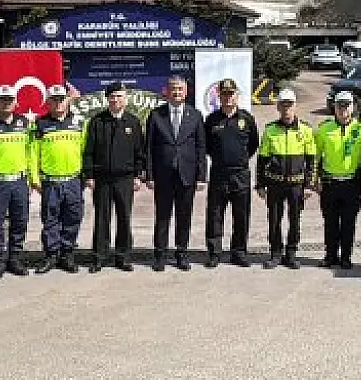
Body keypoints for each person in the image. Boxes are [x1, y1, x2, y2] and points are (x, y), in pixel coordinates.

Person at [145, 75, 207, 271]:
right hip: (163, 176)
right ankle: (160, 255)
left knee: (184, 216)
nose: (177, 92)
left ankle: (182, 254)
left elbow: (201, 147)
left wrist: (201, 176)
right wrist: (149, 175)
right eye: (173, 89)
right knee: (162, 217)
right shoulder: (156, 115)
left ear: (186, 92)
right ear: (167, 91)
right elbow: (149, 148)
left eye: (180, 89)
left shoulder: (195, 115)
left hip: (187, 175)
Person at [83, 82, 146, 272]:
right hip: (102, 179)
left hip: (125, 179)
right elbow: (89, 151)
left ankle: (123, 257)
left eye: (119, 96)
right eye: (112, 96)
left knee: (124, 218)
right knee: (102, 219)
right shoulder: (97, 121)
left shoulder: (133, 122)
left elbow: (139, 152)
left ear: (125, 99)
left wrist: (138, 175)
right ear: (107, 99)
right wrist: (89, 175)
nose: (115, 100)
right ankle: (99, 257)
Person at [203, 78, 260, 268]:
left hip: (240, 175)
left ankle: (239, 253)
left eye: (231, 93)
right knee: (215, 215)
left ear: (237, 95)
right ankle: (214, 253)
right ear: (219, 96)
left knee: (241, 216)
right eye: (224, 94)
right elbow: (207, 147)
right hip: (219, 174)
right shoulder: (211, 120)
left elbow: (253, 145)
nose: (228, 97)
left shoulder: (247, 119)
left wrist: (239, 159)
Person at [257, 88, 317, 269]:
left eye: (289, 105)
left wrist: (309, 185)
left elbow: (312, 160)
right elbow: (262, 159)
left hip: (296, 184)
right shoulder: (270, 130)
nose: (286, 109)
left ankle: (291, 254)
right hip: (275, 183)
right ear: (278, 107)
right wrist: (260, 184)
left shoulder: (306, 130)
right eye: (283, 105)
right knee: (274, 220)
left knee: (295, 220)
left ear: (295, 106)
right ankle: (275, 253)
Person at [31, 84, 85, 274]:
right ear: (48, 102)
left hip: (73, 181)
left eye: (61, 99)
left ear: (66, 101)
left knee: (73, 218)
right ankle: (51, 255)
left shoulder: (79, 122)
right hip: (50, 181)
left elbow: (84, 151)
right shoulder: (40, 124)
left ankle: (67, 254)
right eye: (54, 100)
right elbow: (33, 153)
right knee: (50, 220)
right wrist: (34, 178)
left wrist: (85, 176)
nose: (58, 103)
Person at [0, 85, 33, 280]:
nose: (6, 103)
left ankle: (15, 259)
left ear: (15, 102)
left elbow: (31, 152)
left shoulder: (25, 123)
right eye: (2, 99)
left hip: (19, 181)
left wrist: (32, 178)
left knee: (20, 221)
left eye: (10, 99)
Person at [314, 90, 361, 269]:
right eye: (340, 105)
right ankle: (330, 256)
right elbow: (315, 156)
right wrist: (314, 179)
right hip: (330, 183)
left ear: (353, 107)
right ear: (334, 107)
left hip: (351, 184)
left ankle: (346, 257)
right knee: (330, 223)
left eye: (347, 105)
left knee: (348, 223)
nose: (343, 109)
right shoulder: (324, 129)